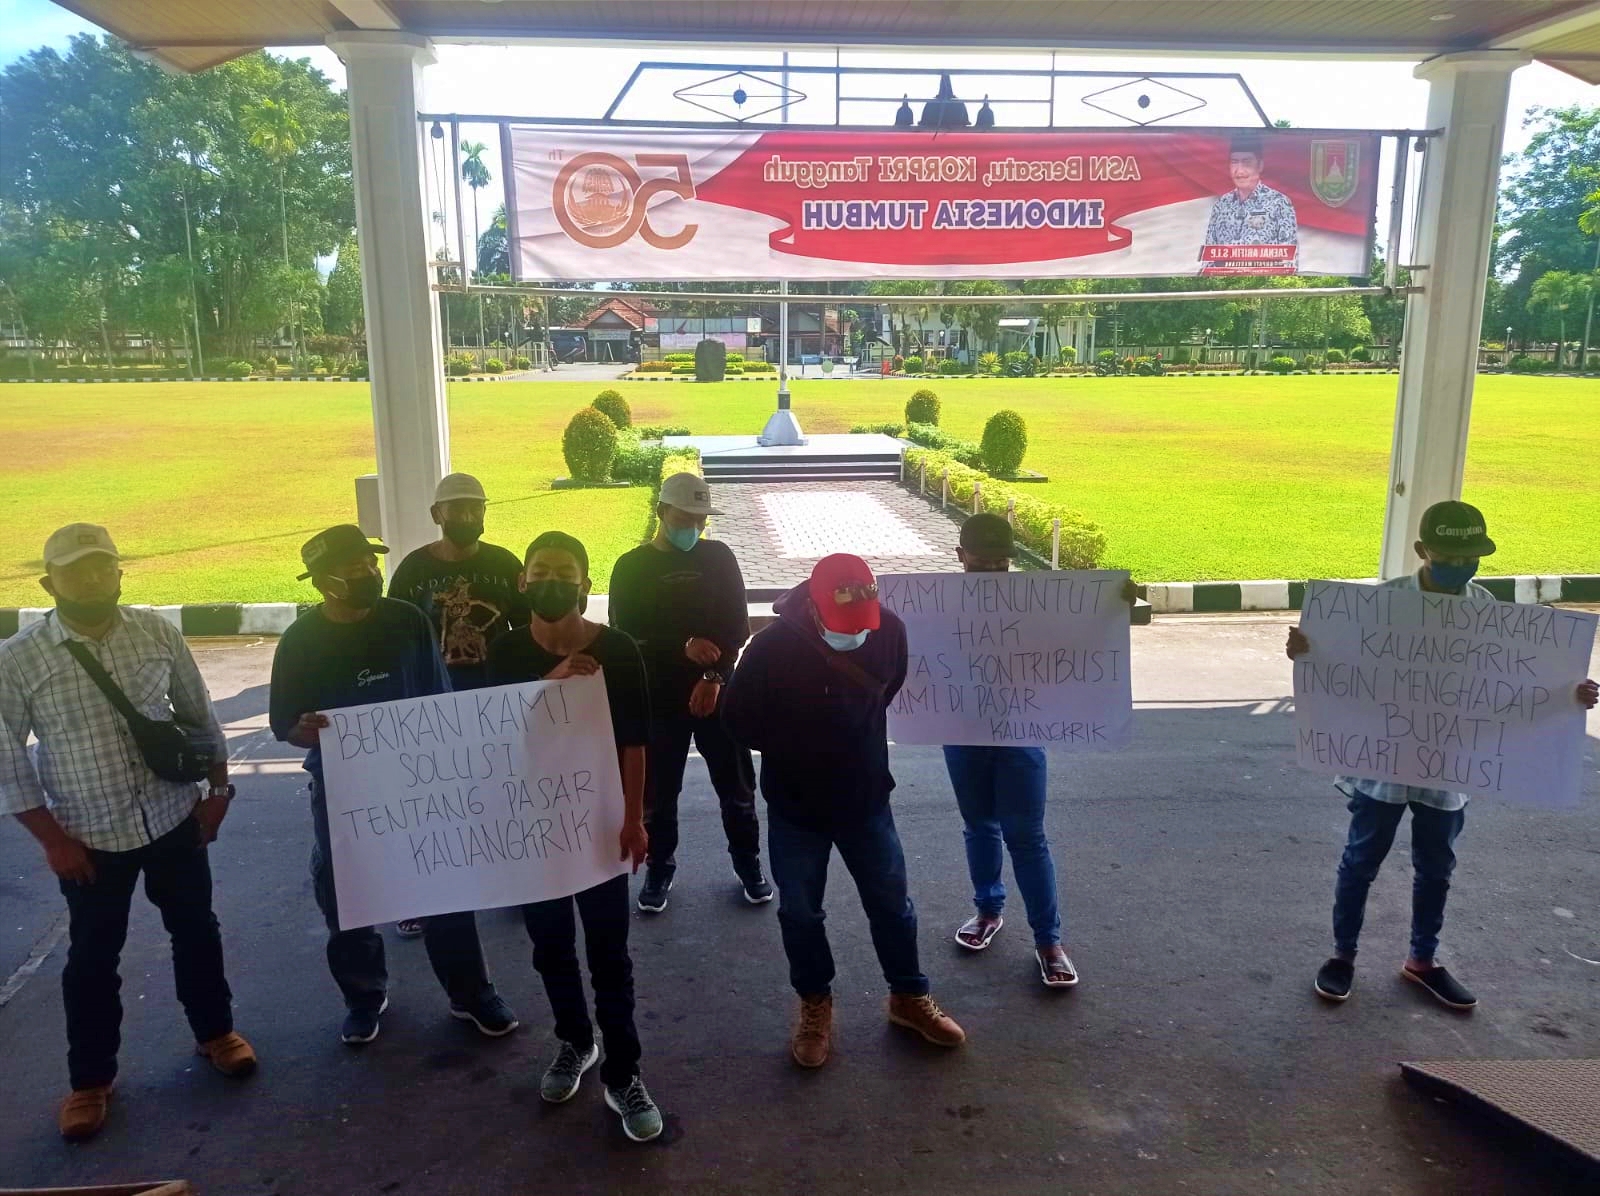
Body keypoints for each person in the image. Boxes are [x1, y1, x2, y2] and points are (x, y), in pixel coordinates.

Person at [1288, 501, 1599, 1011]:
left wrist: (1571, 694)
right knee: (1361, 860)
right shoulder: (1381, 604)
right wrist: (1308, 650)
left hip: (1448, 764)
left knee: (1437, 868)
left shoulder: (1488, 614)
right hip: (1383, 763)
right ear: (1422, 551)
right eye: (1449, 555)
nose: (1461, 564)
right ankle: (1342, 956)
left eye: (1471, 556)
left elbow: (1512, 683)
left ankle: (1422, 960)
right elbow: (1341, 661)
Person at [0, 524, 254, 1142]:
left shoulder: (156, 632)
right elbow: (7, 758)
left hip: (173, 817)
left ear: (119, 571)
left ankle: (216, 1033)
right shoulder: (18, 658)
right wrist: (53, 841)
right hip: (88, 837)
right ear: (48, 584)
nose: (92, 579)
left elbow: (199, 716)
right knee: (92, 959)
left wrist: (217, 794)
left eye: (102, 566)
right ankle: (90, 1082)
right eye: (75, 571)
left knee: (196, 931)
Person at [268, 524, 517, 1045]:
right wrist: (301, 729)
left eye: (370, 563)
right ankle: (364, 997)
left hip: (416, 778)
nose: (368, 573)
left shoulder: (407, 620)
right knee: (346, 890)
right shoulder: (300, 640)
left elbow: (437, 696)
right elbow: (284, 723)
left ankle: (471, 994)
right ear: (323, 581)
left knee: (443, 880)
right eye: (353, 568)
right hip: (343, 787)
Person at [724, 553, 966, 1069]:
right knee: (800, 912)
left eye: (862, 624)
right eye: (844, 624)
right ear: (814, 606)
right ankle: (815, 1004)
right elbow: (738, 720)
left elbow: (887, 688)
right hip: (796, 805)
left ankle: (908, 995)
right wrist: (800, 743)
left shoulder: (889, 630)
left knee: (892, 904)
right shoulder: (769, 648)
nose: (855, 633)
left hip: (866, 797)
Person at [486, 531, 663, 1143]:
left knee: (610, 952)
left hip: (599, 822)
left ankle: (624, 1072)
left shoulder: (618, 650)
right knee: (551, 945)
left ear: (586, 584)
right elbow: (490, 737)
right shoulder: (504, 652)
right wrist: (554, 683)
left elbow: (635, 742)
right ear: (522, 581)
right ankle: (575, 1041)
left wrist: (634, 818)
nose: (552, 581)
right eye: (541, 570)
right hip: (534, 826)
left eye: (566, 572)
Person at [608, 472, 769, 912]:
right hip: (659, 697)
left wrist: (714, 677)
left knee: (737, 788)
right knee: (659, 793)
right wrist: (681, 645)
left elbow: (736, 626)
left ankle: (748, 862)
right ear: (662, 511)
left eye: (700, 519)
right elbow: (626, 632)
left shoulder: (719, 558)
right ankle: (660, 866)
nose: (693, 526)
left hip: (719, 692)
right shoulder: (632, 566)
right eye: (684, 517)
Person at [387, 471, 528, 937]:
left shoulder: (506, 564)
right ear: (437, 514)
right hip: (433, 703)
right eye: (458, 508)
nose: (468, 516)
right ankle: (424, 894)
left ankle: (512, 882)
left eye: (476, 507)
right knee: (432, 803)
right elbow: (396, 638)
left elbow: (530, 631)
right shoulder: (412, 571)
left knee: (502, 797)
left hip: (495, 701)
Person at [941, 514, 1078, 988]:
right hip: (962, 733)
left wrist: (1111, 608)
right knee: (979, 826)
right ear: (960, 557)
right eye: (982, 564)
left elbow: (1078, 641)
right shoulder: (937, 606)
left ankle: (1049, 941)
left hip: (1020, 733)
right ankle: (988, 912)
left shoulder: (1033, 604)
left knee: (1027, 838)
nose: (992, 574)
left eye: (1001, 565)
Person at [1202, 132, 1298, 249]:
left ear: (1260, 165)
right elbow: (1209, 253)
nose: (1239, 171)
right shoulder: (1221, 205)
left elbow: (1289, 254)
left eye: (1246, 162)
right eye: (1234, 162)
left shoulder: (1279, 203)